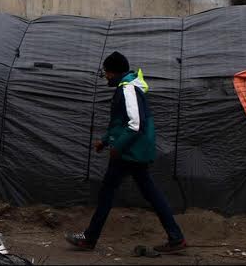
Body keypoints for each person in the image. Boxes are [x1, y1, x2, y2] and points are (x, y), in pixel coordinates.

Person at [65, 51, 186, 253]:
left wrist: (117, 147)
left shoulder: (127, 89)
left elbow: (134, 123)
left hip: (129, 152)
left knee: (107, 193)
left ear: (114, 71)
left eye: (106, 72)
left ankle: (89, 238)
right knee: (151, 193)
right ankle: (176, 237)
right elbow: (120, 124)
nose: (105, 76)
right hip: (134, 151)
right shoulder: (127, 87)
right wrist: (104, 141)